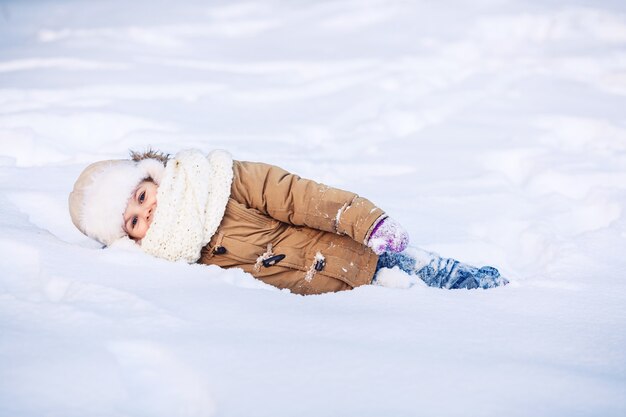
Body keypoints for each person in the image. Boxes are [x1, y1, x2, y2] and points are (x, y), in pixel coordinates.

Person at [68, 148, 508, 295]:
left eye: (142, 197)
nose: (147, 212)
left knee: (444, 284)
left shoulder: (219, 180)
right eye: (132, 221)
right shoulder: (172, 261)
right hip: (336, 300)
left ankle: (479, 285)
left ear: (151, 175)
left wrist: (367, 222)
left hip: (357, 251)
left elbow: (301, 196)